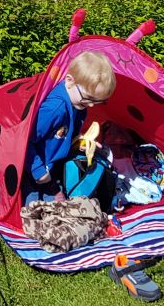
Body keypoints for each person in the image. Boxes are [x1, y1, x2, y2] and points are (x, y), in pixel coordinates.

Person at [27, 51, 116, 202]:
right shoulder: (55, 109)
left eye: (97, 101)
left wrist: (78, 142)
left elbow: (65, 132)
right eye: (88, 98)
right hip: (34, 171)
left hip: (53, 166)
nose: (91, 105)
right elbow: (25, 141)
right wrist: (37, 170)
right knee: (40, 208)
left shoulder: (79, 105)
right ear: (69, 81)